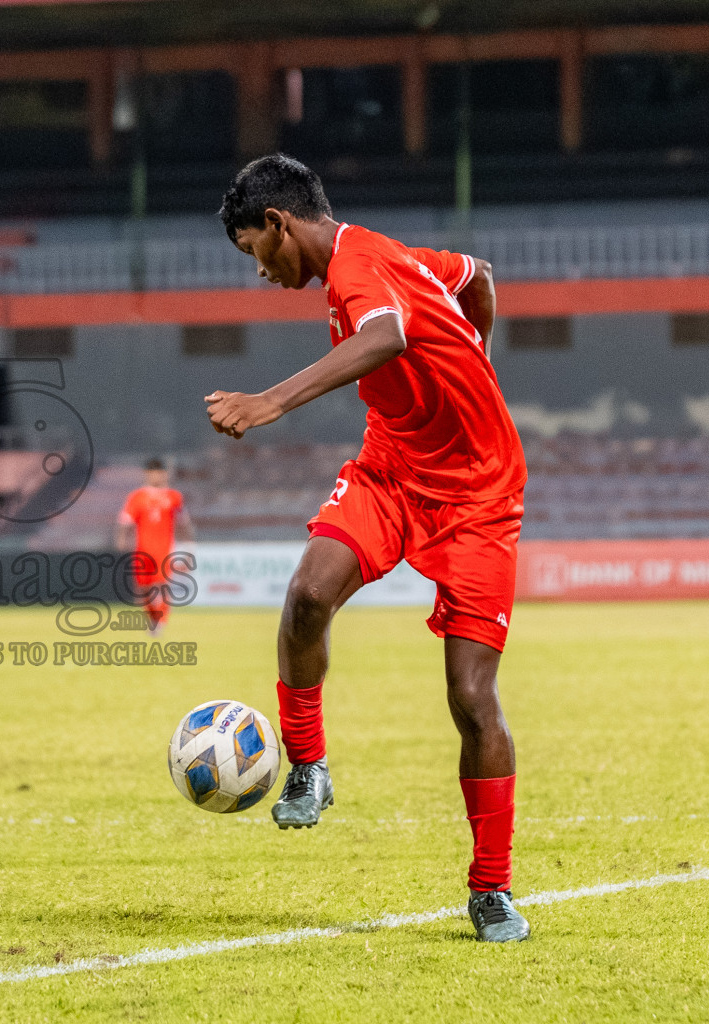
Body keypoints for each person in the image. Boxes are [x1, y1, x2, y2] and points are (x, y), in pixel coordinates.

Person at [206, 155, 529, 942]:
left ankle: (491, 890)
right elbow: (477, 273)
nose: (260, 272)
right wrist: (475, 347)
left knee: (471, 698)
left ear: (282, 226)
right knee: (308, 596)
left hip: (480, 495)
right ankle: (308, 766)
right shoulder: (392, 259)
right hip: (390, 468)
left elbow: (384, 335)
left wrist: (269, 401)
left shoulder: (357, 269)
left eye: (257, 252)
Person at [114, 457, 194, 635]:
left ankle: (162, 621)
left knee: (162, 585)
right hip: (142, 550)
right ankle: (152, 618)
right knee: (143, 588)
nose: (155, 476)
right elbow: (125, 521)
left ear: (164, 474)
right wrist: (121, 538)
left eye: (158, 473)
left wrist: (189, 545)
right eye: (152, 473)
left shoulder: (174, 497)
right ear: (146, 474)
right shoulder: (137, 497)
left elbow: (184, 523)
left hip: (164, 549)